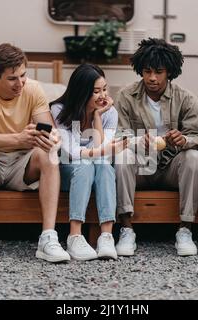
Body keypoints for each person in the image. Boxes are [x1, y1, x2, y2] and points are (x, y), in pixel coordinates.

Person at [0, 43, 70, 264]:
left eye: (23, 75)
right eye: (12, 79)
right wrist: (18, 138)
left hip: (22, 165)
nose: (20, 83)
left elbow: (51, 132)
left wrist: (51, 139)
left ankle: (48, 239)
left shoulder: (33, 89)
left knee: (49, 155)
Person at [114, 38, 198, 257]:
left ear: (170, 72)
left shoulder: (185, 98)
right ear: (140, 70)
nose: (152, 78)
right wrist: (138, 141)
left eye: (159, 72)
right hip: (140, 167)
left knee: (193, 157)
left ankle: (185, 229)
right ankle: (126, 229)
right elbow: (118, 136)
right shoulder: (126, 96)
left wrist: (183, 140)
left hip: (170, 167)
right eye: (147, 71)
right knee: (123, 156)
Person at [51, 64, 127, 261]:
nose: (103, 95)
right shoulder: (59, 110)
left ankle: (106, 236)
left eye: (105, 89)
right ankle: (75, 236)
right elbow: (71, 152)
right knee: (84, 165)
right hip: (66, 171)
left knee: (103, 165)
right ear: (82, 92)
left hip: (95, 168)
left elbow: (102, 153)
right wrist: (102, 150)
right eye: (96, 91)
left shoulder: (109, 112)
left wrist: (97, 117)